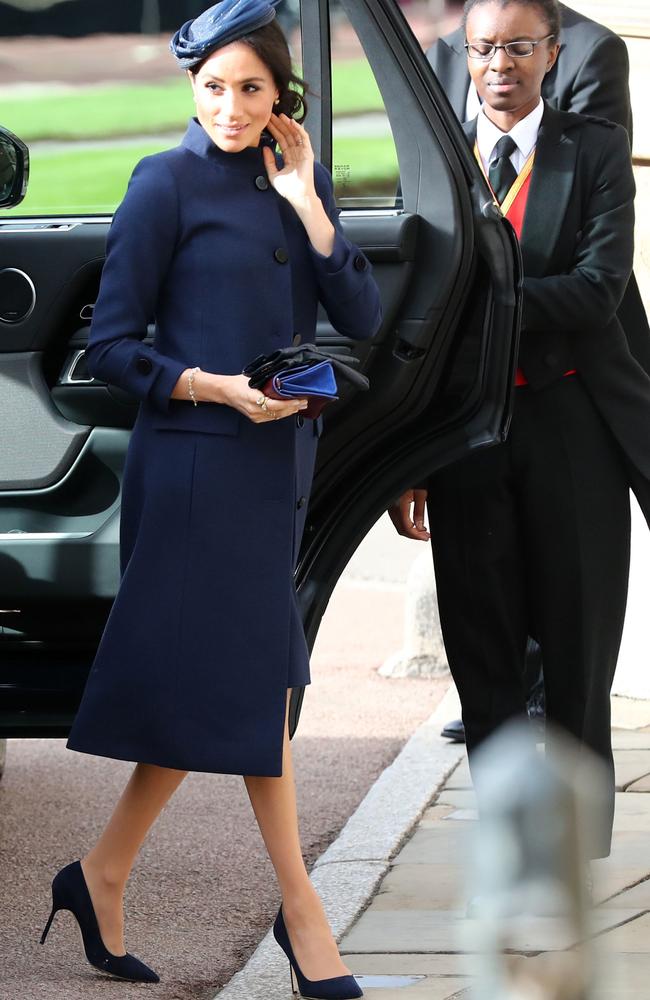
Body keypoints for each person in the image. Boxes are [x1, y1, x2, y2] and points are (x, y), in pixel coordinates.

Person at [40, 2, 381, 994]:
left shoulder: (288, 187)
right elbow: (108, 347)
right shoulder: (163, 183)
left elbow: (360, 310)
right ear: (190, 87)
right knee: (254, 692)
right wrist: (214, 387)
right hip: (193, 467)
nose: (229, 105)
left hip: (274, 471)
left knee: (232, 694)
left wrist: (311, 199)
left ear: (283, 99)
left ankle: (99, 874)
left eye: (250, 88)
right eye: (212, 86)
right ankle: (302, 916)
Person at [390, 0, 650, 859]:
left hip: (573, 426)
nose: (500, 64)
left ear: (552, 54)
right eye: (485, 48)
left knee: (577, 650)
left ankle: (575, 850)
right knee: (482, 645)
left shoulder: (596, 150)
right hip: (465, 434)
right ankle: (508, 845)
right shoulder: (433, 158)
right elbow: (407, 292)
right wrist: (408, 453)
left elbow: (597, 289)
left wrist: (478, 308)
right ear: (464, 55)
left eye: (519, 48)